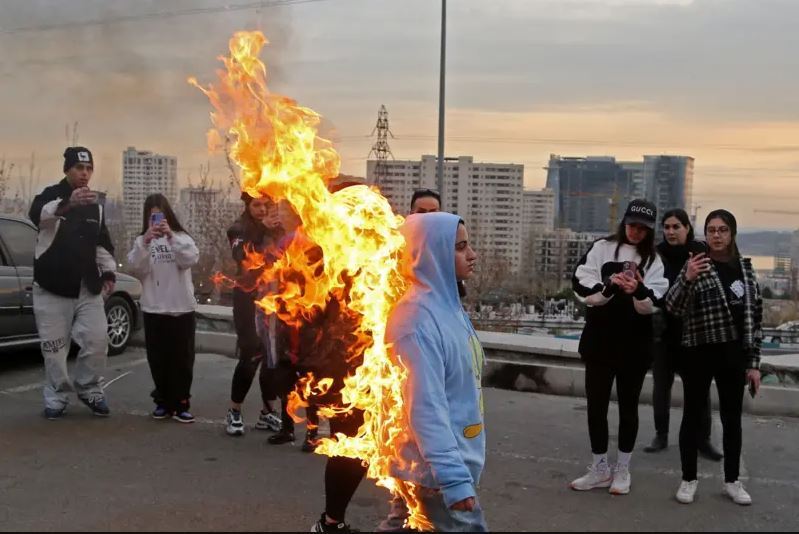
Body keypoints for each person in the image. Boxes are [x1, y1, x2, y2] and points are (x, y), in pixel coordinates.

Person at [387, 212, 488, 532]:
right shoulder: (415, 321)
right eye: (459, 247)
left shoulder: (447, 307)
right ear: (431, 253)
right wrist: (454, 479)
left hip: (441, 468)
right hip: (434, 477)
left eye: (468, 245)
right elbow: (425, 408)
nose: (472, 255)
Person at [569, 199, 669, 495]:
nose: (636, 232)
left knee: (629, 407)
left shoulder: (653, 259)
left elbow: (654, 302)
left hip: (635, 345)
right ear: (623, 222)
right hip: (599, 340)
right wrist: (609, 287)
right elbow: (580, 283)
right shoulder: (602, 248)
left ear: (649, 230)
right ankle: (599, 467)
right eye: (632, 225)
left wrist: (637, 289)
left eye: (642, 228)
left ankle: (622, 468)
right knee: (596, 406)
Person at [665, 209, 762, 506]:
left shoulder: (744, 269)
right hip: (698, 351)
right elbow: (673, 306)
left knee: (732, 420)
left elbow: (755, 318)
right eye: (711, 230)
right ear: (704, 235)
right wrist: (687, 278)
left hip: (733, 354)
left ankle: (732, 481)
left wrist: (754, 365)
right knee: (692, 417)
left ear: (731, 233)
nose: (716, 235)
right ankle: (688, 479)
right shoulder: (696, 265)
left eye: (722, 230)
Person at [28, 147, 117, 420]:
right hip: (52, 287)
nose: (84, 173)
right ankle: (56, 396)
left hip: (86, 288)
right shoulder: (50, 196)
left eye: (89, 168)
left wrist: (109, 274)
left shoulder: (95, 205)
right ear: (67, 170)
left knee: (97, 340)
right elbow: (37, 216)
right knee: (54, 349)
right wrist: (69, 204)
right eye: (79, 168)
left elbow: (101, 243)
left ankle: (90, 389)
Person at [644, 209, 722, 460]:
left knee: (699, 390)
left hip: (694, 334)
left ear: (687, 228)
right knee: (661, 387)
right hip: (664, 334)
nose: (670, 231)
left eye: (676, 226)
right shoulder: (656, 256)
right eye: (666, 227)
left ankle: (704, 440)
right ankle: (661, 435)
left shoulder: (700, 253)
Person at [127, 194, 199, 423]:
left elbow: (189, 259)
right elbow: (136, 266)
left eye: (160, 214)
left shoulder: (181, 237)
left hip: (181, 308)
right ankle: (163, 402)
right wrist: (146, 241)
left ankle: (181, 403)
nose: (156, 220)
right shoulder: (142, 241)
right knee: (158, 360)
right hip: (154, 309)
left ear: (167, 215)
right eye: (152, 216)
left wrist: (170, 237)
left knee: (183, 360)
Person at [224, 192, 284, 436]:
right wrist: (262, 230)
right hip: (248, 299)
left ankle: (267, 412)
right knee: (251, 353)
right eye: (256, 205)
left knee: (272, 356)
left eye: (265, 205)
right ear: (247, 206)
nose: (261, 209)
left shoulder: (277, 228)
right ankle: (234, 410)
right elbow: (243, 257)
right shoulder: (239, 229)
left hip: (275, 298)